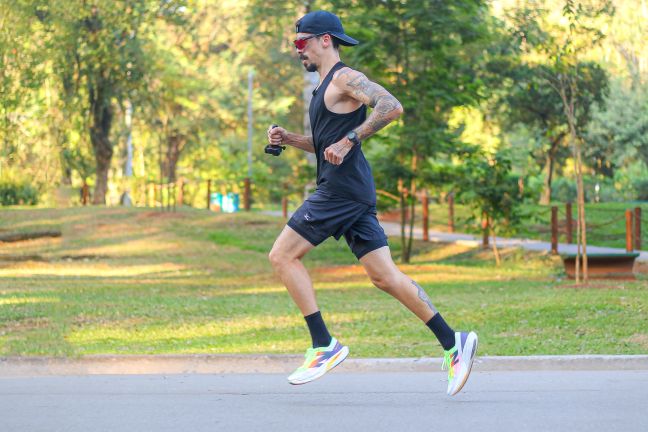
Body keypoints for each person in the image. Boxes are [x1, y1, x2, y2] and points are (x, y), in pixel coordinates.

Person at [267, 10, 478, 396]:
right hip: (352, 190)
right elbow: (326, 145)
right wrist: (290, 138)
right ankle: (453, 342)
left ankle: (322, 344)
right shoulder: (323, 89)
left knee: (282, 256)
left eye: (303, 42)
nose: (299, 50)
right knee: (384, 276)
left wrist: (352, 139)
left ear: (325, 40)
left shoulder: (345, 78)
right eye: (296, 44)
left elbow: (391, 105)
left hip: (340, 192)